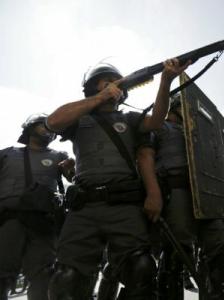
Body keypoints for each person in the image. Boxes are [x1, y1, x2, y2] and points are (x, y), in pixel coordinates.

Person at [46, 58, 189, 299]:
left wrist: (165, 80)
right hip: (84, 208)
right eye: (106, 82)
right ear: (93, 86)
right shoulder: (78, 119)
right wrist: (99, 98)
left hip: (125, 206)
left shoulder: (130, 120)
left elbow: (155, 122)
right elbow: (52, 122)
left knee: (141, 268)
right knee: (66, 279)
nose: (113, 85)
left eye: (116, 82)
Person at [149, 95, 224, 300]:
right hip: (176, 192)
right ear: (173, 108)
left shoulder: (200, 132)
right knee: (176, 253)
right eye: (183, 106)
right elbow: (144, 161)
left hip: (206, 194)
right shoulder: (160, 128)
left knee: (220, 248)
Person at [0, 114, 74, 300]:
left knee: (43, 275)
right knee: (2, 273)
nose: (47, 129)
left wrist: (70, 166)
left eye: (50, 128)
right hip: (9, 220)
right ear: (30, 128)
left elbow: (72, 175)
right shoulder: (7, 153)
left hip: (43, 223)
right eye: (42, 125)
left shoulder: (59, 156)